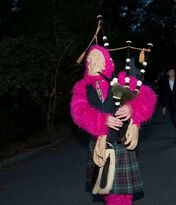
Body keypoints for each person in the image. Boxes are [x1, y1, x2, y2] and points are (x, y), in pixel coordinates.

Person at [70, 45, 157, 205]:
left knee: (121, 196)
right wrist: (102, 120)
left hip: (121, 144)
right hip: (100, 146)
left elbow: (147, 96)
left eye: (96, 58)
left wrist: (133, 109)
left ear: (106, 62)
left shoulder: (119, 81)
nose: (91, 61)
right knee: (107, 192)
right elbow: (78, 111)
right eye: (89, 59)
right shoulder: (82, 87)